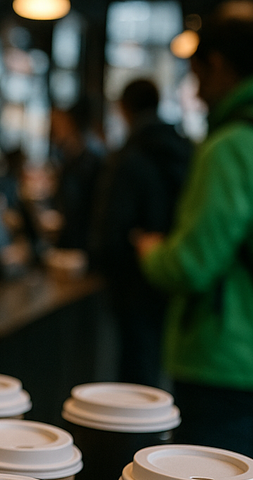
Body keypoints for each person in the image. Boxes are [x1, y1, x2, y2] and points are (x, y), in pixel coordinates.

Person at [135, 21, 253, 465]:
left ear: (216, 66)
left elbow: (193, 264)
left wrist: (152, 251)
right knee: (245, 477)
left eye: (196, 76)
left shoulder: (231, 146)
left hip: (225, 356)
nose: (195, 91)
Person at [91, 79, 193, 387]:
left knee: (135, 366)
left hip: (132, 277)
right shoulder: (182, 148)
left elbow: (113, 223)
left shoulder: (130, 154)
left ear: (124, 107)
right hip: (171, 268)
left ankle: (136, 431)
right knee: (159, 361)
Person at [49, 98, 105, 252]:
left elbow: (80, 207)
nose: (53, 130)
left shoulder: (88, 159)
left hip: (82, 245)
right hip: (78, 241)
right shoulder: (71, 157)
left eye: (59, 124)